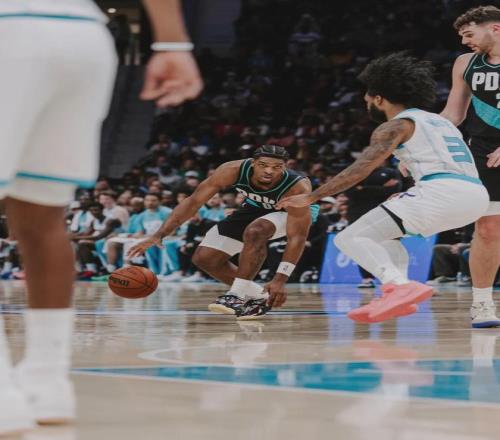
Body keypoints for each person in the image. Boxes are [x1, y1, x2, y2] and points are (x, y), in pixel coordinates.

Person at [0, 0, 202, 435]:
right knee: (42, 218)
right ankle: (47, 383)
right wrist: (172, 43)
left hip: (9, 29)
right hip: (82, 34)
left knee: (38, 220)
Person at [278, 52, 489, 324]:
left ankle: (400, 287)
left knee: (348, 238)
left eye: (367, 100)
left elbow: (362, 168)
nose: (367, 105)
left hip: (441, 192)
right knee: (386, 236)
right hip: (474, 195)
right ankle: (398, 294)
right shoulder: (439, 122)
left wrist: (313, 196)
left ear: (379, 99)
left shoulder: (396, 125)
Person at [129, 145, 315, 319]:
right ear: (253, 163)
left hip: (290, 213)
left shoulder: (297, 187)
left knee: (256, 231)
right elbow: (193, 202)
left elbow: (298, 236)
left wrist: (280, 279)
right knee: (205, 258)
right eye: (263, 165)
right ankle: (260, 297)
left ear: (285, 167)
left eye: (277, 167)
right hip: (255, 207)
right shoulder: (232, 170)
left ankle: (236, 295)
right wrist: (160, 234)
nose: (269, 171)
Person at [440, 6, 500, 328]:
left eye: (469, 34)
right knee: (488, 229)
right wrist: (420, 138)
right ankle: (482, 303)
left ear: (495, 29)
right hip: (484, 152)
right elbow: (453, 115)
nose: (464, 42)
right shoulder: (466, 63)